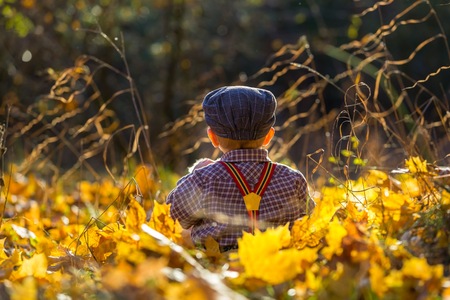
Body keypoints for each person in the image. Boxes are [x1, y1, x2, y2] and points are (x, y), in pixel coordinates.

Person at [166, 86, 315, 252]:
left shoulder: (203, 179)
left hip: (214, 269)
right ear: (269, 136)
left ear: (213, 137)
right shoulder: (293, 179)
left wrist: (194, 173)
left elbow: (167, 220)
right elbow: (310, 224)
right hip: (276, 263)